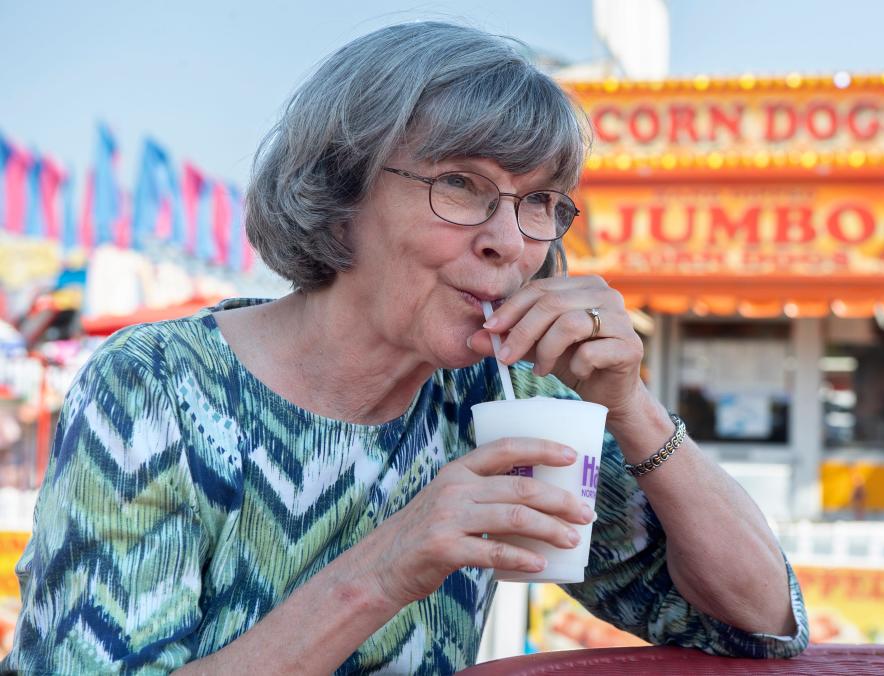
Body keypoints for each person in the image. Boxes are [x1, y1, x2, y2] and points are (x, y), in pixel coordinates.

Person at [1, 22, 808, 675]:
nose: (510, 242)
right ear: (337, 192)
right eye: (461, 184)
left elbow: (759, 624)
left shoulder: (508, 402)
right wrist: (390, 566)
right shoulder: (157, 387)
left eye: (540, 203)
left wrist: (630, 406)